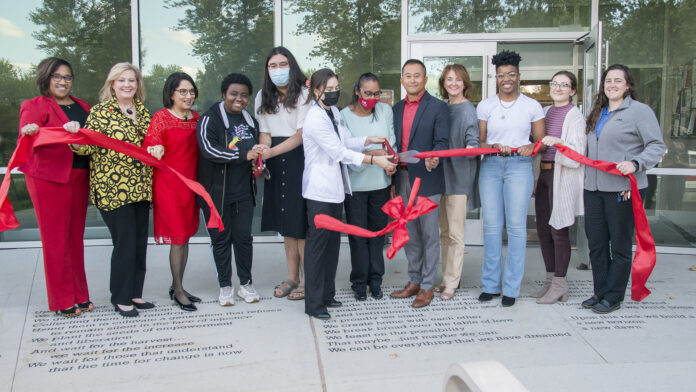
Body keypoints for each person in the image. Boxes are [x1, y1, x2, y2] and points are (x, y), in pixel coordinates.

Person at [302, 69, 395, 320]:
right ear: (315, 90)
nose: (333, 93)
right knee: (318, 249)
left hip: (335, 192)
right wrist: (375, 161)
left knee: (332, 247)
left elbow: (346, 141)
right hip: (319, 192)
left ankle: (327, 295)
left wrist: (369, 139)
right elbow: (339, 152)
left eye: (335, 88)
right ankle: (314, 303)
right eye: (327, 89)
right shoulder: (314, 118)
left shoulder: (331, 112)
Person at [582, 64, 665, 314]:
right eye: (608, 80)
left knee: (618, 244)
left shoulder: (639, 112)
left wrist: (636, 162)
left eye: (618, 81)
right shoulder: (598, 111)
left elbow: (656, 145)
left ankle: (614, 295)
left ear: (628, 85)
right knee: (596, 243)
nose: (612, 85)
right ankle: (600, 292)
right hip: (593, 188)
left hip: (622, 189)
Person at [73, 62, 154, 317]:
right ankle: (120, 297)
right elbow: (86, 147)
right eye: (121, 80)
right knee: (125, 242)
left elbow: (152, 142)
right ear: (112, 84)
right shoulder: (100, 112)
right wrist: (74, 138)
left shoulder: (143, 111)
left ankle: (134, 293)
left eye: (132, 80)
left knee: (140, 241)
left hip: (140, 187)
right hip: (112, 188)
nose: (127, 85)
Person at [18, 57, 92, 317]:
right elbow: (28, 136)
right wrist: (35, 130)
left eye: (67, 77)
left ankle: (80, 295)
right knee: (55, 241)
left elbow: (90, 137)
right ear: (46, 78)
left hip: (80, 176)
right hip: (48, 178)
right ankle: (62, 300)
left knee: (75, 239)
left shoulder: (83, 105)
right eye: (57, 76)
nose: (63, 81)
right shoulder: (34, 105)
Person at [476, 51, 545, 307]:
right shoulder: (485, 105)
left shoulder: (531, 106)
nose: (506, 79)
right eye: (501, 75)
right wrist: (492, 145)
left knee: (516, 228)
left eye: (511, 74)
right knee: (492, 227)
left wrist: (531, 148)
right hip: (492, 165)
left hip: (519, 166)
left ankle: (511, 288)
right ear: (496, 78)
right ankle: (491, 285)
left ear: (519, 76)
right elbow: (480, 141)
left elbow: (541, 143)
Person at [197, 73, 266, 307]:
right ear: (224, 94)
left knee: (244, 239)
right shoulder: (211, 118)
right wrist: (242, 154)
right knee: (221, 240)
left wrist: (258, 160)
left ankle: (245, 284)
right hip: (217, 193)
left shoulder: (249, 120)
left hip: (244, 193)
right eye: (234, 94)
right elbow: (209, 150)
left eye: (244, 95)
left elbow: (255, 149)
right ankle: (225, 286)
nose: (239, 99)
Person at [389, 59, 450, 308]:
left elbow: (442, 142)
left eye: (417, 75)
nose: (412, 80)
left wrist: (435, 157)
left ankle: (426, 286)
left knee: (428, 234)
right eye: (408, 75)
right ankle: (413, 280)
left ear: (425, 80)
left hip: (427, 177)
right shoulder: (394, 109)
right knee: (410, 234)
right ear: (402, 80)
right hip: (401, 176)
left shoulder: (438, 107)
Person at [255, 47, 312, 301]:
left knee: (301, 224)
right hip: (276, 162)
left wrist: (271, 152)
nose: (278, 69)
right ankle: (292, 277)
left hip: (299, 158)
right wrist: (262, 151)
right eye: (272, 65)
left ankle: (308, 280)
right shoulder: (262, 96)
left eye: (283, 64)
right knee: (286, 225)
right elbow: (265, 131)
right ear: (267, 70)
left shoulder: (304, 93)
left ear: (292, 65)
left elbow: (301, 135)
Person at [143, 72, 201, 312]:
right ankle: (177, 290)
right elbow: (149, 146)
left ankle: (178, 284)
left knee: (185, 237)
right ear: (171, 94)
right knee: (177, 238)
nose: (188, 96)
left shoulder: (196, 117)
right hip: (169, 185)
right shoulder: (161, 118)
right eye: (183, 92)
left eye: (191, 91)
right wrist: (154, 148)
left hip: (191, 185)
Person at [531, 71, 587, 304]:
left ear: (573, 91)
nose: (559, 88)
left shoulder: (575, 117)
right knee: (543, 231)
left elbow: (578, 153)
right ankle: (550, 280)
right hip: (543, 174)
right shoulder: (545, 112)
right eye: (555, 84)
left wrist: (560, 143)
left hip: (561, 174)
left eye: (565, 85)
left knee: (558, 230)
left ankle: (560, 284)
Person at [340, 73, 396, 301]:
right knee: (358, 236)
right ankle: (359, 281)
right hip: (356, 186)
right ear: (357, 91)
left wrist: (392, 163)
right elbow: (346, 151)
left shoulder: (385, 111)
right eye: (367, 93)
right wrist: (373, 154)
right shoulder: (343, 116)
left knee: (377, 235)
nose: (372, 98)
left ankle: (376, 280)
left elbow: (391, 142)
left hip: (380, 184)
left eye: (376, 93)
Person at [434, 64, 480, 301]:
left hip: (459, 178)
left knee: (456, 234)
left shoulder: (468, 109)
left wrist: (471, 148)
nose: (453, 83)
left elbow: (473, 142)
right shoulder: (441, 108)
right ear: (443, 83)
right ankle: (447, 277)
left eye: (458, 80)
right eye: (449, 79)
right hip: (439, 177)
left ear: (465, 83)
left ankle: (452, 282)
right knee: (443, 232)